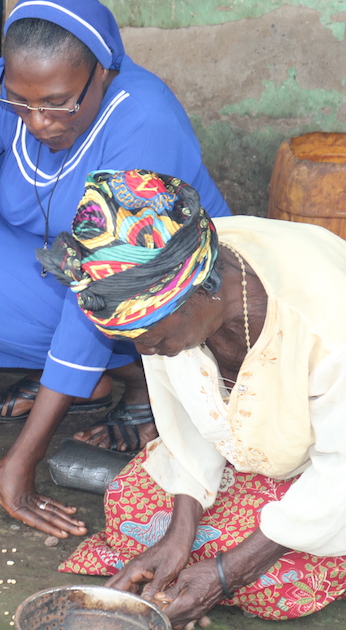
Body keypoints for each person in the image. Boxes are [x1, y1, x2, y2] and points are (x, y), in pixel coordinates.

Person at [0, 0, 231, 538]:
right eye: (21, 101)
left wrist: (24, 458)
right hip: (63, 265)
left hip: (160, 296)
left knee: (105, 298)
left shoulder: (143, 120)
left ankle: (141, 379)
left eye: (58, 102)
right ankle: (78, 382)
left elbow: (102, 289)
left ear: (103, 71)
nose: (38, 121)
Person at [44, 169, 346, 625]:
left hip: (335, 461)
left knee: (275, 588)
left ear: (201, 294)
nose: (142, 352)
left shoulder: (326, 322)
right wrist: (179, 533)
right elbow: (187, 419)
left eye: (148, 336)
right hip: (257, 453)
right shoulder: (166, 275)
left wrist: (228, 574)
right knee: (133, 513)